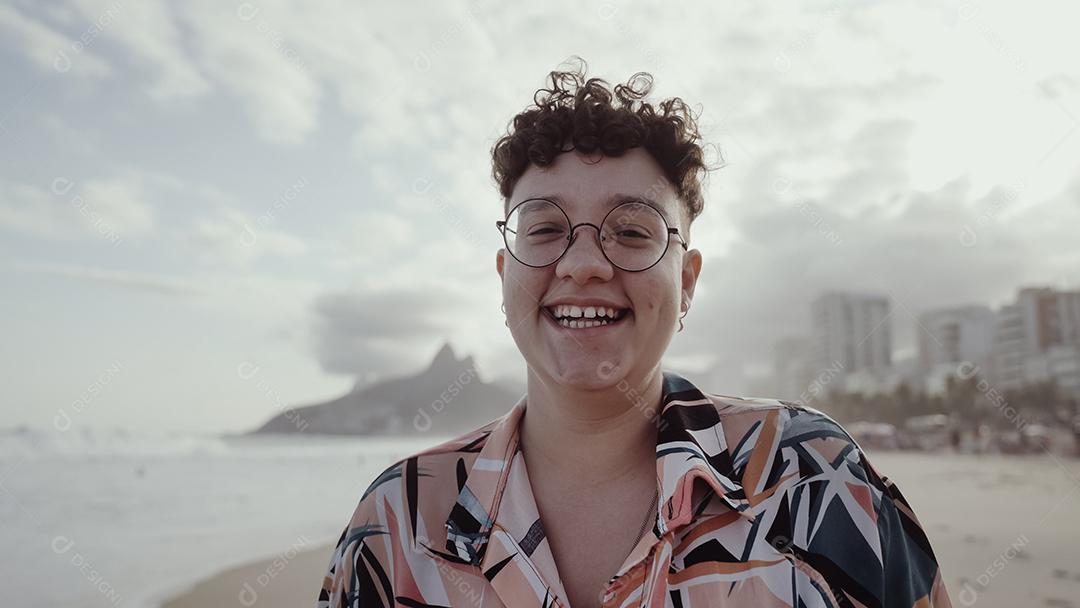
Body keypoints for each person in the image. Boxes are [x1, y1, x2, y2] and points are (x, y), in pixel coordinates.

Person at [318, 57, 952, 608]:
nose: (584, 262)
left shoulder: (811, 478)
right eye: (543, 229)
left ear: (688, 282)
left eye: (631, 230)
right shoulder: (400, 522)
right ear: (504, 273)